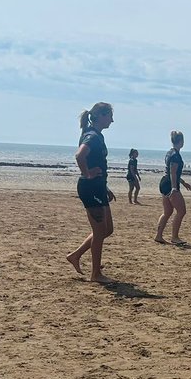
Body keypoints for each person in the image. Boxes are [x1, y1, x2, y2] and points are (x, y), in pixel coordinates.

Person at [66, 102, 116, 283]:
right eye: (110, 116)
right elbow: (80, 156)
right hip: (90, 188)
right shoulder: (92, 136)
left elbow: (97, 163)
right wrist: (87, 174)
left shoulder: (97, 136)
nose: (112, 120)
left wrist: (105, 187)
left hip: (99, 187)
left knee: (107, 229)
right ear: (101, 115)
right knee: (100, 230)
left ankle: (76, 255)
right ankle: (96, 274)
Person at [155, 130, 191, 245]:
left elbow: (172, 172)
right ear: (181, 141)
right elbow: (173, 172)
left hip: (165, 182)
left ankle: (159, 236)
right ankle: (174, 237)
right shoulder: (175, 155)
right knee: (181, 211)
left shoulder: (170, 152)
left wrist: (183, 182)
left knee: (167, 212)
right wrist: (174, 188)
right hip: (170, 184)